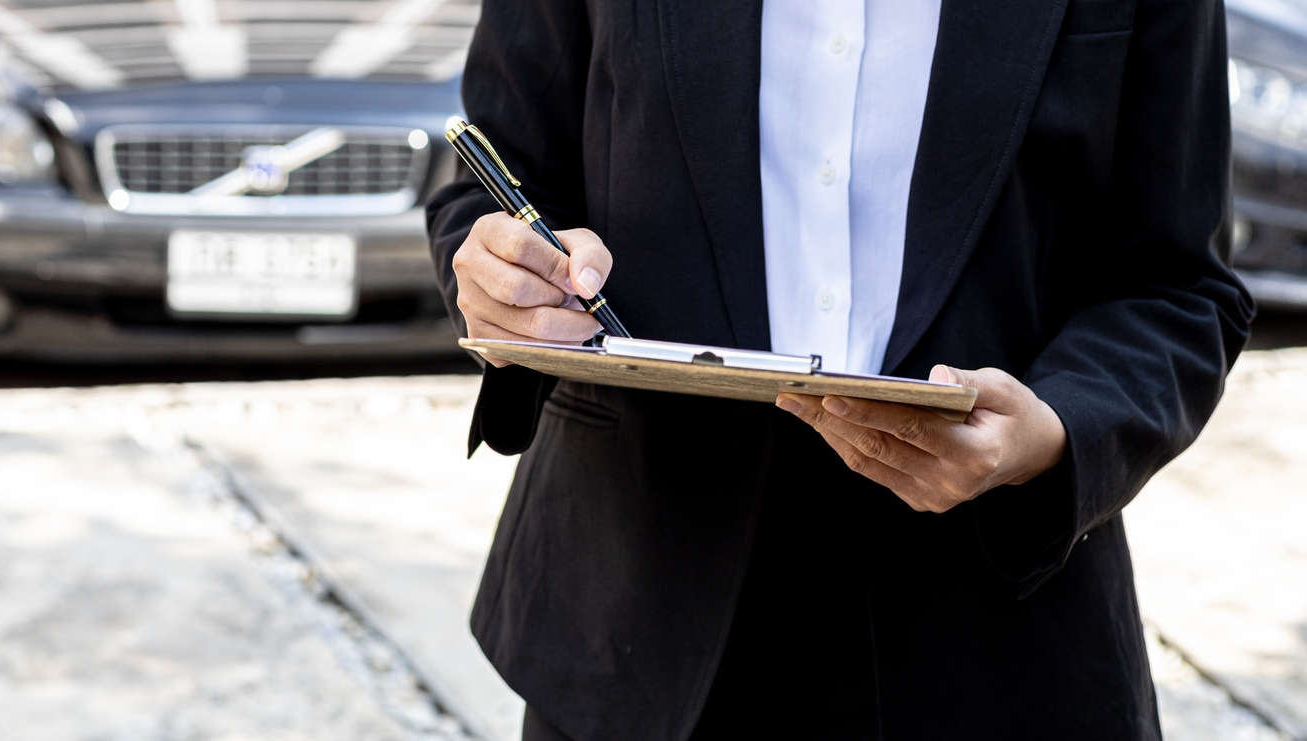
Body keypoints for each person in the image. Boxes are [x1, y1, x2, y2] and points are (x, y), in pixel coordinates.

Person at [424, 0, 1252, 738]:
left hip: (996, 631)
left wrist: (1057, 427)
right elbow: (499, 179)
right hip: (632, 607)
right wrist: (505, 276)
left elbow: (1177, 284)